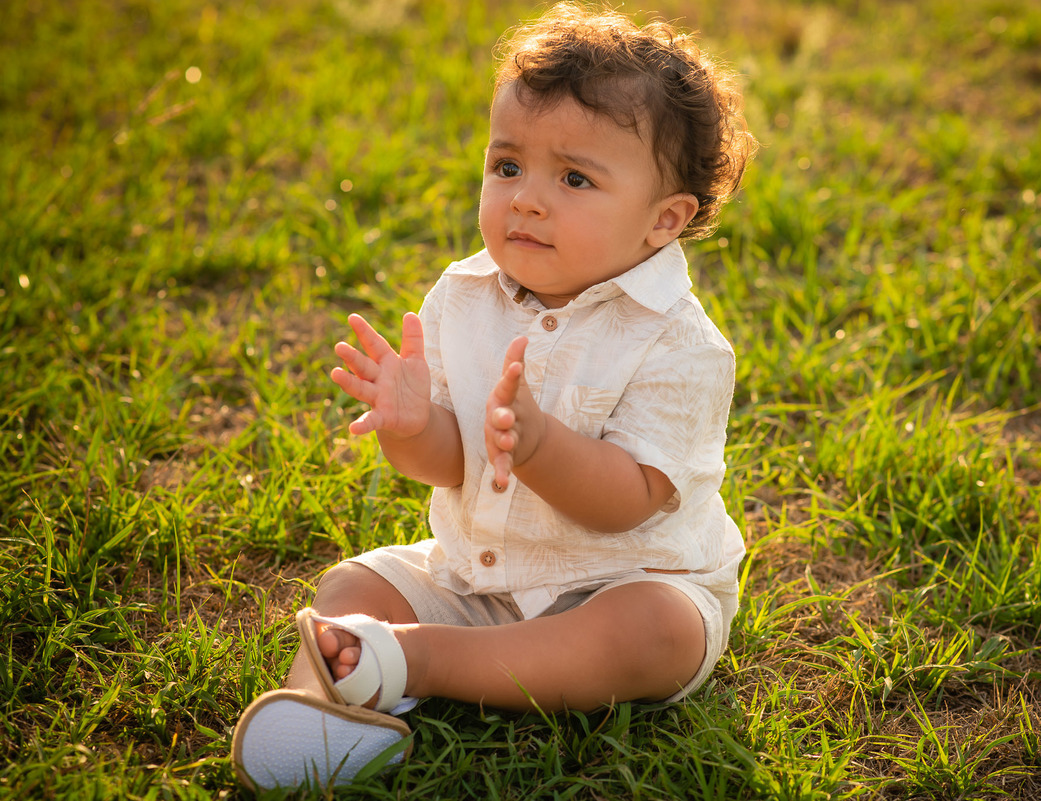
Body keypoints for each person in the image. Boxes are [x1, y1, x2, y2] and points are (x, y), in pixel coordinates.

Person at [231, 1, 757, 789]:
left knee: (655, 633)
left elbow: (629, 500)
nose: (528, 198)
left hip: (622, 580)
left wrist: (541, 446)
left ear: (663, 220)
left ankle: (418, 663)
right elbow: (448, 460)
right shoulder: (464, 296)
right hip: (479, 577)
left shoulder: (678, 343)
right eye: (507, 166)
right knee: (351, 586)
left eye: (574, 177)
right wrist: (411, 426)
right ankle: (328, 711)